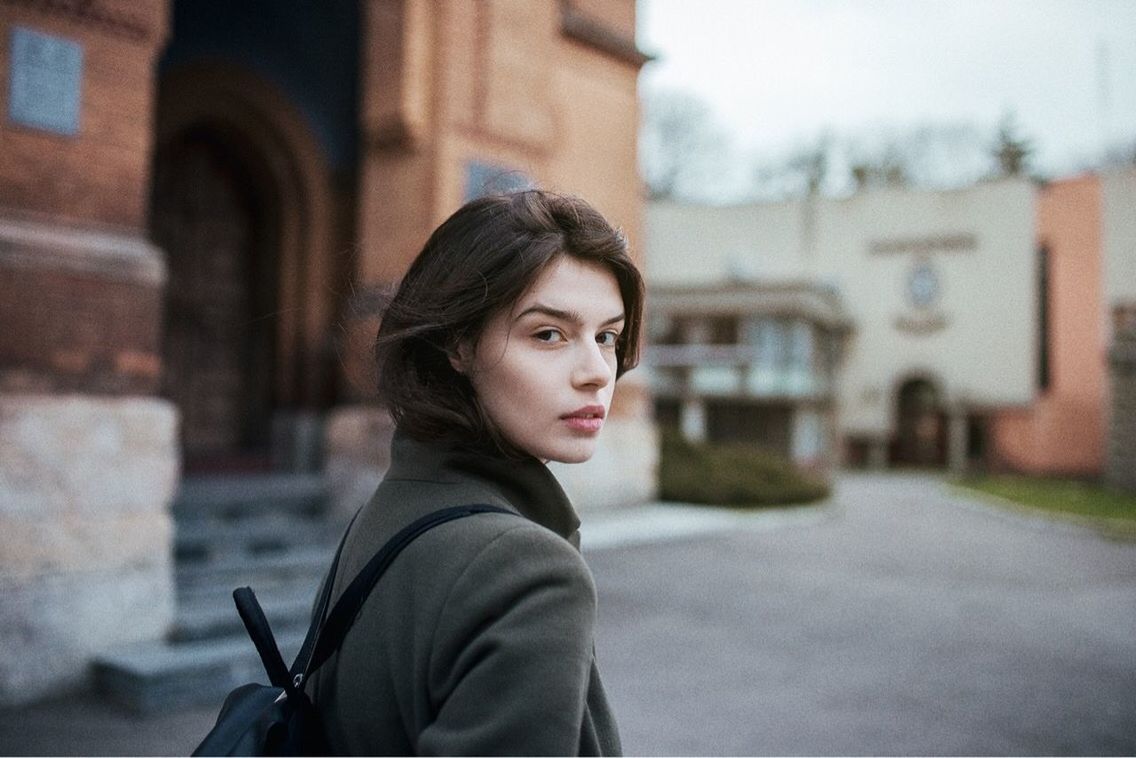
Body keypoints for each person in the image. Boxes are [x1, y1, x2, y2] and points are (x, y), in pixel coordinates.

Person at [309, 189, 644, 755]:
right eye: (548, 334)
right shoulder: (529, 572)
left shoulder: (391, 510)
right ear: (457, 344)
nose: (596, 373)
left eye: (606, 336)